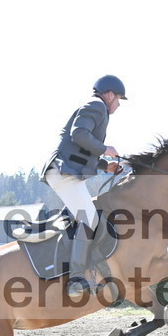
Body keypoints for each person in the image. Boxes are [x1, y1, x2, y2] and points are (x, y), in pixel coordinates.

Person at [41, 75, 127, 297]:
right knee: (89, 219)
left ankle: (82, 270)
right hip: (64, 172)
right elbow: (78, 134)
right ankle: (76, 279)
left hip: (67, 171)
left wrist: (104, 166)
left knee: (88, 219)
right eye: (118, 99)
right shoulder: (97, 106)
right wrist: (105, 149)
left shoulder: (97, 108)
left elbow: (81, 149)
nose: (118, 104)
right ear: (109, 95)